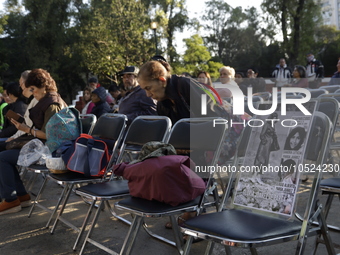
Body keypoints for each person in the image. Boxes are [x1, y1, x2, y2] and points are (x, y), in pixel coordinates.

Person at [0, 68, 66, 215]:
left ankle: (11, 199)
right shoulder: (46, 100)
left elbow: (51, 136)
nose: (33, 93)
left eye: (33, 89)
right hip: (40, 145)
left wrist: (27, 130)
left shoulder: (52, 104)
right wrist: (24, 129)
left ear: (44, 86)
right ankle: (21, 196)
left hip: (49, 152)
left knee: (3, 158)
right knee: (4, 155)